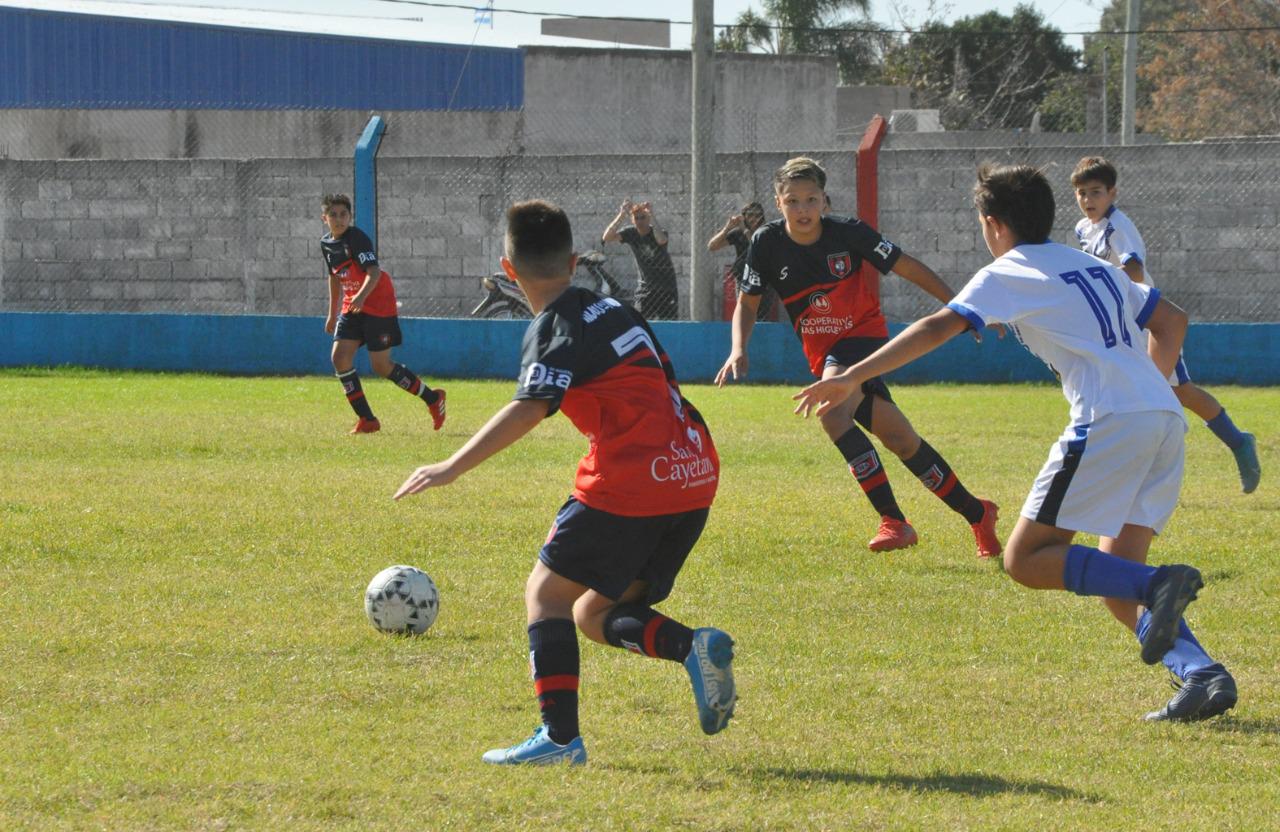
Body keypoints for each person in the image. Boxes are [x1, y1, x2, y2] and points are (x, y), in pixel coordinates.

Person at [795, 163, 1237, 722]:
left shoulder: (1009, 268)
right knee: (1112, 576)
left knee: (1026, 559)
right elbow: (1171, 320)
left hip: (1109, 419)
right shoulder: (1091, 265)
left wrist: (853, 375)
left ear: (994, 223)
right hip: (1162, 420)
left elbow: (937, 327)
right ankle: (1201, 673)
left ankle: (1161, 582)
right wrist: (1148, 387)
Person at [394, 199, 736, 765]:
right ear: (575, 261)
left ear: (508, 270)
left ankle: (558, 739)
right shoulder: (616, 309)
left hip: (633, 480)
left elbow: (532, 406)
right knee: (592, 613)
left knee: (546, 596)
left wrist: (449, 467)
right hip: (693, 473)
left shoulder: (555, 323)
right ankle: (693, 647)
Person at [716, 156, 1001, 557]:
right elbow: (748, 304)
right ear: (778, 202)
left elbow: (908, 267)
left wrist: (961, 308)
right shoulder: (766, 242)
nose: (803, 209)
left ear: (825, 202)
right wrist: (738, 348)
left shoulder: (849, 233)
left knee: (832, 412)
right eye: (793, 200)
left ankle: (894, 522)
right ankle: (978, 513)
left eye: (811, 199)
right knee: (901, 440)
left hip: (863, 337)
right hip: (824, 354)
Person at [1072, 156, 1261, 494]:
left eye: (1096, 192)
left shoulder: (1119, 227)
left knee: (1176, 390)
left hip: (1146, 322)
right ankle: (1123, 465)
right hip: (1117, 324)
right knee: (1122, 389)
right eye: (1082, 193)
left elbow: (1135, 272)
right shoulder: (1084, 229)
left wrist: (1107, 294)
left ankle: (1238, 441)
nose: (1088, 200)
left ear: (1112, 193)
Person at [320, 193, 446, 434]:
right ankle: (367, 420)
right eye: (333, 215)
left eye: (343, 214)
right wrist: (332, 313)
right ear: (324, 218)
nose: (339, 219)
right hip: (352, 307)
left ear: (350, 216)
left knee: (380, 365)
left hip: (378, 304)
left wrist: (361, 296)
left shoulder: (356, 238)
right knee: (339, 358)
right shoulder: (326, 243)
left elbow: (374, 272)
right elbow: (334, 276)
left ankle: (433, 398)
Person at [602, 199, 680, 320]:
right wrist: (622, 214)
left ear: (648, 218)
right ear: (633, 220)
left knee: (669, 322)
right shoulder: (630, 233)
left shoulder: (658, 232)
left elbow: (662, 240)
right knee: (639, 321)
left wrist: (651, 214)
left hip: (666, 287)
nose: (640, 221)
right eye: (636, 218)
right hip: (646, 288)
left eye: (643, 217)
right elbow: (607, 237)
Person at [707, 201, 777, 321]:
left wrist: (744, 229)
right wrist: (727, 228)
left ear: (762, 216)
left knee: (762, 316)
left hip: (764, 279)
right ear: (745, 216)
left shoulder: (766, 231)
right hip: (743, 276)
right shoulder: (739, 233)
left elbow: (756, 246)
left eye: (757, 215)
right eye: (750, 215)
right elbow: (712, 246)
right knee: (745, 313)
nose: (753, 218)